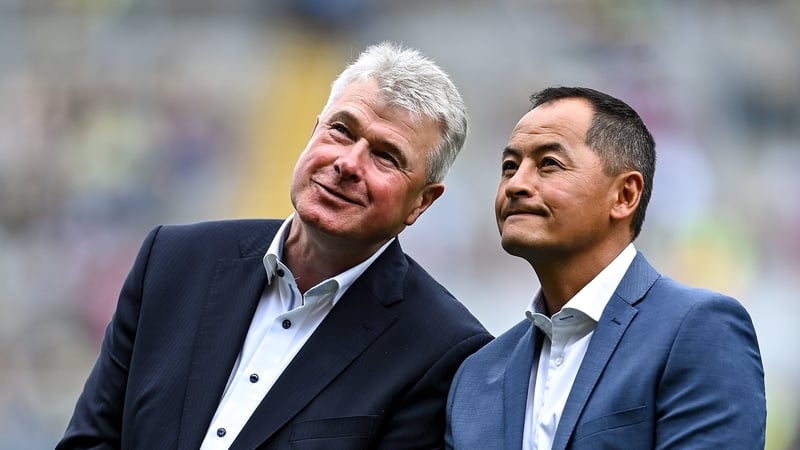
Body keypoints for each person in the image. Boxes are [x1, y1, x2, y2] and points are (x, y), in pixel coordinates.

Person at [58, 41, 492, 450]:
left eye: (385, 156)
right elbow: (89, 438)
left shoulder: (443, 351)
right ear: (313, 132)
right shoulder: (171, 260)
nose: (347, 163)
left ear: (421, 201)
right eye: (341, 131)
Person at [445, 86, 766, 449]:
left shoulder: (698, 328)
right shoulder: (475, 375)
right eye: (509, 167)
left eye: (549, 163)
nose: (516, 184)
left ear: (625, 195)